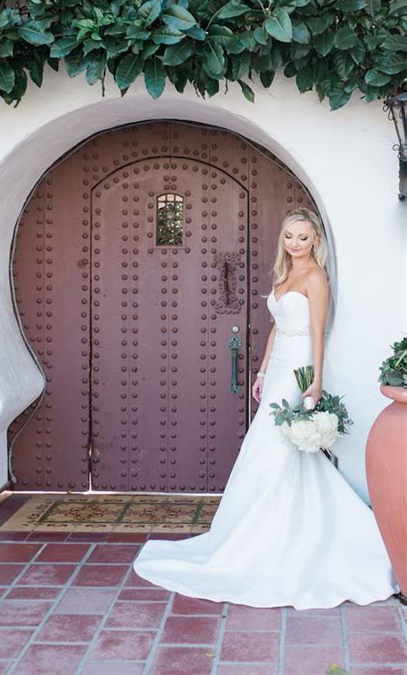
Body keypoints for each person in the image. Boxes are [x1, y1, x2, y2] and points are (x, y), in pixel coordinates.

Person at [132, 208, 400, 610]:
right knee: (280, 453)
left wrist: (316, 380)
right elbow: (276, 327)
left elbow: (317, 332)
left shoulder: (315, 277)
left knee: (274, 449)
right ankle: (266, 533)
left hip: (298, 369)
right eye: (289, 236)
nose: (295, 244)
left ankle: (280, 542)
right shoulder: (284, 274)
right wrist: (259, 371)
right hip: (276, 369)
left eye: (303, 238)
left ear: (315, 242)